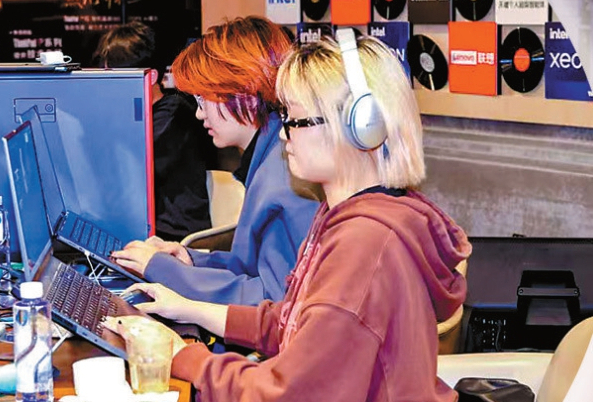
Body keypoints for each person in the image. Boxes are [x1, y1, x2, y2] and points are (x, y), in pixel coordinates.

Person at [107, 35, 471, 401]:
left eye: (295, 120)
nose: (283, 134)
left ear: (358, 127)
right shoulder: (349, 217)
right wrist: (190, 309)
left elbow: (287, 392)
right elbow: (291, 323)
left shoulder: (365, 244)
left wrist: (180, 354)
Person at [110, 16, 320, 306]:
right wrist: (190, 260)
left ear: (244, 93)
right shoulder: (271, 157)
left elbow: (271, 302)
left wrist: (162, 269)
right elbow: (250, 268)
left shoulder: (284, 179)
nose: (199, 113)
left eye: (203, 100)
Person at [93, 21, 218, 241]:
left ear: (150, 76)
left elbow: (127, 174)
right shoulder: (137, 116)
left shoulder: (174, 115)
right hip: (140, 231)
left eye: (116, 76)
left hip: (173, 238)